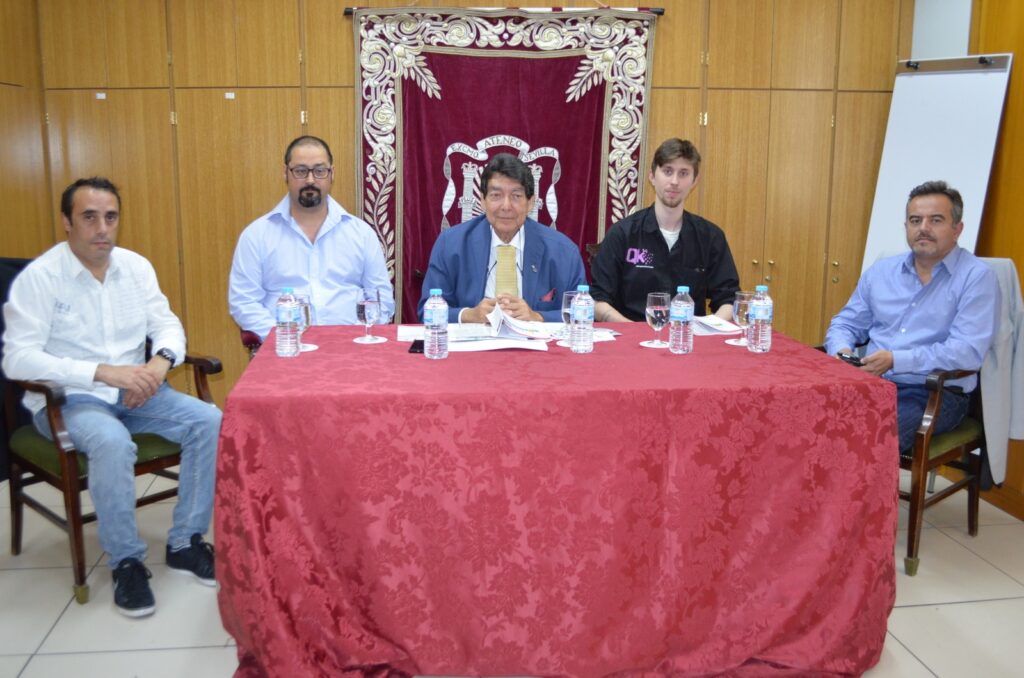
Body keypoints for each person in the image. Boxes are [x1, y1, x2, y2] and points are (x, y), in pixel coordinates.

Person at [2, 178, 222, 618]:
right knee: (111, 442)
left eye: (110, 217)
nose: (102, 228)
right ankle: (126, 561)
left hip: (139, 392)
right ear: (67, 222)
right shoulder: (41, 278)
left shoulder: (135, 267)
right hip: (70, 401)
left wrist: (159, 364)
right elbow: (17, 359)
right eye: (89, 217)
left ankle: (185, 542)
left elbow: (167, 325)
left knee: (209, 420)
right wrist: (101, 372)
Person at [825, 180, 1001, 453]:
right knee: (803, 418)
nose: (923, 228)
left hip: (935, 393)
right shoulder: (881, 272)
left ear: (957, 229)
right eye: (915, 220)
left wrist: (896, 360)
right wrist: (841, 352)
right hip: (870, 382)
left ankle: (854, 482)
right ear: (906, 226)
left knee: (865, 436)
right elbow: (845, 324)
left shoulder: (977, 278)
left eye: (936, 220)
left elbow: (966, 352)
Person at [229, 135, 394, 339]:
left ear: (332, 173)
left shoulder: (361, 234)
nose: (310, 180)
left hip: (351, 346)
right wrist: (286, 337)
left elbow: (381, 299)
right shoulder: (257, 236)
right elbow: (244, 303)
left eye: (319, 171)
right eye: (300, 171)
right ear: (285, 173)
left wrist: (352, 338)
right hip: (285, 347)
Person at [417, 153, 586, 323]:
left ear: (531, 203)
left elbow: (581, 314)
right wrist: (470, 315)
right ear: (483, 200)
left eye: (516, 196)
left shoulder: (564, 252)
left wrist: (537, 316)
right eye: (496, 195)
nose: (506, 206)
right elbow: (427, 311)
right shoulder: (450, 244)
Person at [590, 138, 740, 322]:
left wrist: (709, 330)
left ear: (694, 181)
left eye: (683, 173)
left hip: (688, 336)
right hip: (632, 333)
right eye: (668, 171)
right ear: (652, 176)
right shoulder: (622, 234)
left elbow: (729, 299)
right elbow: (598, 300)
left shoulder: (710, 237)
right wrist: (633, 331)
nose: (675, 181)